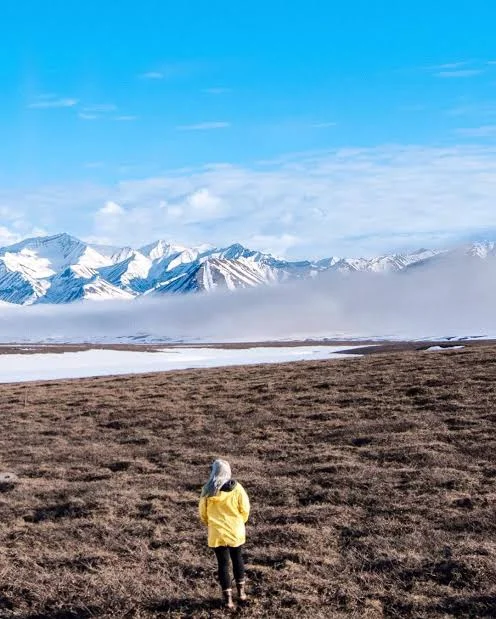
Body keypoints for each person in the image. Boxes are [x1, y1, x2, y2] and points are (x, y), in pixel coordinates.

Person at [199, 459, 250, 609]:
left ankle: (228, 600)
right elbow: (245, 509)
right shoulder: (238, 488)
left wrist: (211, 524)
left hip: (217, 533)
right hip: (235, 531)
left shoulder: (207, 490)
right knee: (237, 559)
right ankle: (241, 593)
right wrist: (240, 522)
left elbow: (203, 513)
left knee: (222, 564)